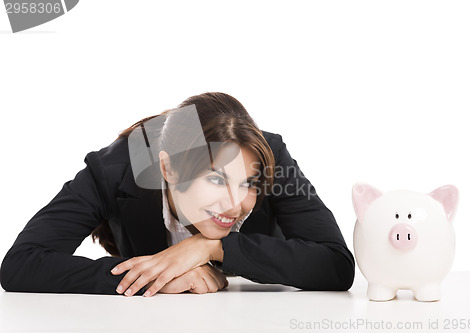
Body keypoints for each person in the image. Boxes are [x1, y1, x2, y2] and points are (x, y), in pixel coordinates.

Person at [0, 92, 355, 297]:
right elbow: (21, 264)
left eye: (248, 183)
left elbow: (336, 264)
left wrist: (214, 247)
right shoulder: (114, 168)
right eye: (217, 180)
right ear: (168, 170)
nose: (235, 204)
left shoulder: (269, 155)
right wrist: (155, 276)